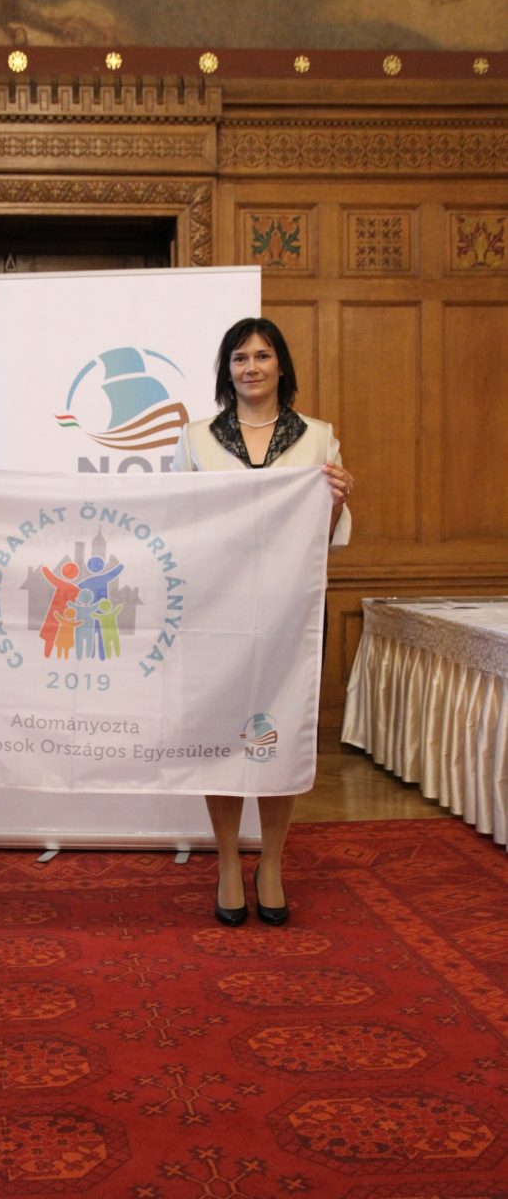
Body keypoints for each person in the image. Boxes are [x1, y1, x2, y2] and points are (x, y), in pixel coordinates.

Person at [171, 316, 353, 927]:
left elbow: (326, 537)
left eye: (263, 355)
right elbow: (178, 528)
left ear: (281, 366)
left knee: (282, 731)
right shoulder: (197, 439)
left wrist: (337, 501)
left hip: (289, 614)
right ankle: (228, 860)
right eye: (240, 357)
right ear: (227, 370)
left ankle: (271, 862)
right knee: (222, 733)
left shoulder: (318, 438)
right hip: (214, 611)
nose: (252, 367)